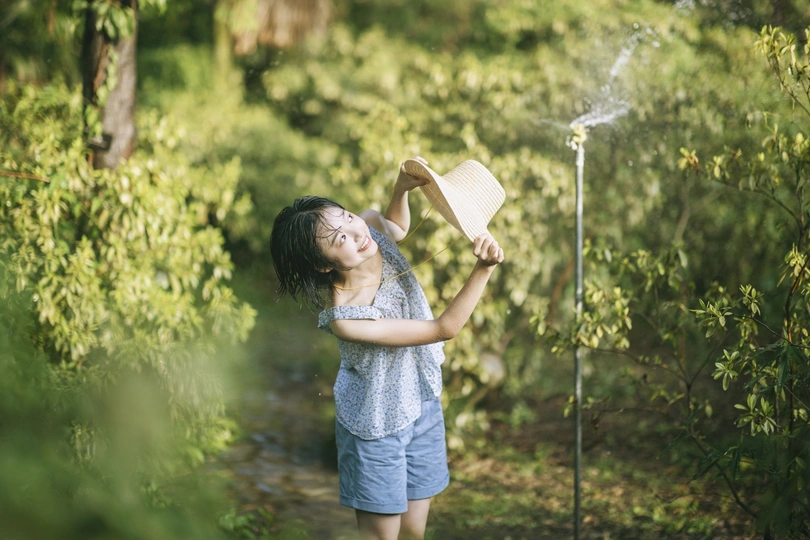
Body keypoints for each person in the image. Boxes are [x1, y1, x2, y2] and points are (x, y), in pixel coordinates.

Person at [270, 156, 504, 540]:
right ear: (323, 266)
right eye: (338, 239)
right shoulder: (348, 317)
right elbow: (444, 328)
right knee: (382, 537)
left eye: (345, 217)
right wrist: (484, 269)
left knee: (414, 531)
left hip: (421, 400)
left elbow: (394, 225)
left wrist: (401, 188)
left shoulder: (369, 229)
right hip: (375, 424)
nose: (354, 231)